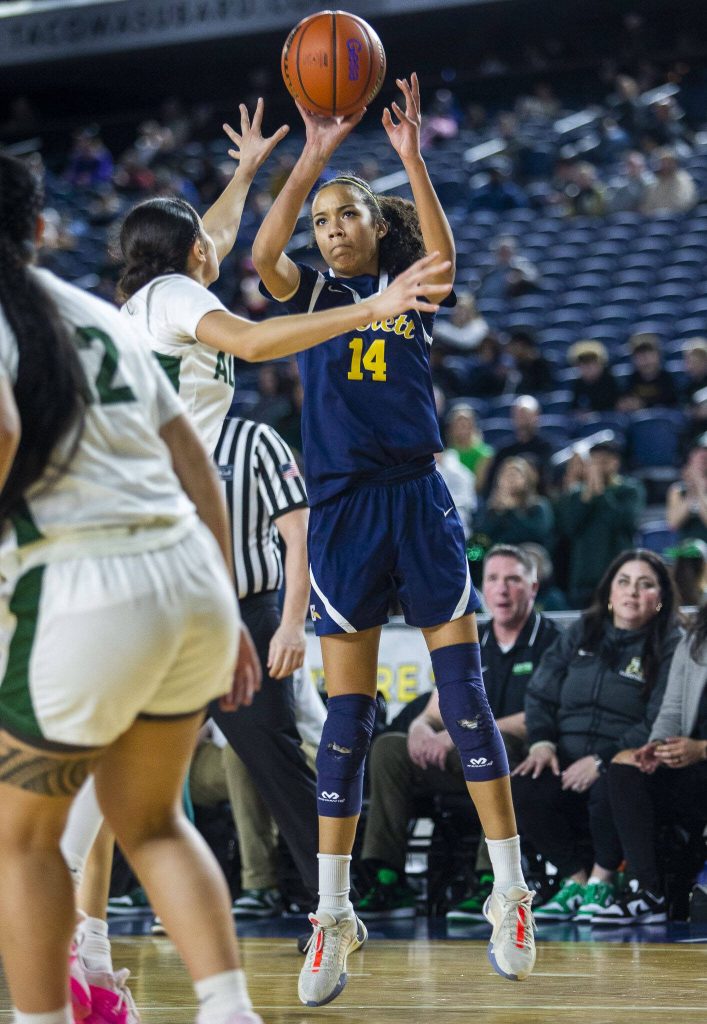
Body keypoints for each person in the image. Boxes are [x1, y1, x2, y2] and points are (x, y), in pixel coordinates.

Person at [56, 98, 453, 1013]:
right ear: (190, 257)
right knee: (120, 782)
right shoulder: (182, 301)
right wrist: (375, 309)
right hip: (143, 556)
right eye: (205, 239)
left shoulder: (145, 295)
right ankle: (108, 962)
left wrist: (262, 169)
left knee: (112, 768)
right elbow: (259, 336)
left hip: (130, 550)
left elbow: (219, 235)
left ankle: (93, 959)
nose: (219, 242)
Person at [252, 74, 537, 1006]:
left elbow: (444, 260)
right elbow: (262, 251)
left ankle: (509, 892)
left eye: (347, 216)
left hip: (416, 501)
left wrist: (411, 163)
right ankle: (331, 917)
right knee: (346, 718)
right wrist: (314, 159)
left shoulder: (407, 286)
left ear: (377, 228)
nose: (331, 227)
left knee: (462, 698)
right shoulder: (312, 293)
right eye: (324, 218)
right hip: (339, 512)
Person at [0, 150, 262, 1024]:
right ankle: (227, 1010)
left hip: (84, 588)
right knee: (150, 821)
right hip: (187, 577)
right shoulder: (95, 312)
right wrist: (226, 607)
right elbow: (194, 458)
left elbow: (2, 433)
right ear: (38, 230)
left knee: (24, 840)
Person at [353, 545, 558, 923]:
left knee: (503, 748)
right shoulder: (472, 637)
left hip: (518, 759)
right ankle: (387, 877)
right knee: (388, 749)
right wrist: (419, 729)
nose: (502, 589)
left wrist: (464, 734)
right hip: (459, 757)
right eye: (493, 579)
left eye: (513, 579)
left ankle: (491, 880)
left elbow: (544, 716)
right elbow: (435, 710)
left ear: (532, 586)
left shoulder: (552, 641)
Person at [512, 550, 680, 924]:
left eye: (645, 584)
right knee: (521, 785)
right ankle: (577, 880)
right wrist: (541, 741)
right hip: (564, 752)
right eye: (624, 582)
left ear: (661, 598)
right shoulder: (581, 632)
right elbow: (540, 694)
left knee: (613, 782)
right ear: (608, 593)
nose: (632, 592)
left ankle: (605, 877)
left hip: (627, 756)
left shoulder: (671, 644)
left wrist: (602, 758)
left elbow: (661, 715)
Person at [594, 606, 707, 924]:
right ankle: (650, 892)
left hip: (699, 756)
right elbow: (672, 708)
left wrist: (702, 749)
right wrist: (655, 747)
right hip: (691, 766)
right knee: (624, 770)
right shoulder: (696, 639)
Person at [554, 440, 645, 609]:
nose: (597, 468)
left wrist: (601, 493)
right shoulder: (576, 495)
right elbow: (569, 528)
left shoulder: (629, 490)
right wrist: (587, 497)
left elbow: (626, 522)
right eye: (594, 462)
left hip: (619, 575)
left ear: (615, 463)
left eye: (604, 462)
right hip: (583, 578)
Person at [476, 457, 554, 550]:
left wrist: (512, 510)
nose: (510, 479)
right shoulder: (491, 508)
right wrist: (498, 513)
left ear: (527, 479)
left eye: (515, 474)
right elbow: (481, 538)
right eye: (506, 475)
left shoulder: (539, 505)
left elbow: (536, 534)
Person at [484, 395, 554, 496]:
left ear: (536, 416)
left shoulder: (546, 447)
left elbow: (548, 480)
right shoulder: (504, 449)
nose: (522, 419)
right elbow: (492, 482)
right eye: (519, 415)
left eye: (526, 414)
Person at [616, 333, 679, 412]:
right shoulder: (631, 380)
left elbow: (673, 405)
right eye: (640, 356)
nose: (645, 360)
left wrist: (643, 404)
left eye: (648, 354)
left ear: (658, 355)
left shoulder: (667, 379)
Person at [445, 404, 494, 492]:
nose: (462, 429)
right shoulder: (446, 454)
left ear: (472, 426)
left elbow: (477, 487)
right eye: (458, 425)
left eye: (465, 425)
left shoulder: (485, 453)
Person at [665, 445, 707, 545]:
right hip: (685, 548)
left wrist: (700, 489)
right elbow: (673, 524)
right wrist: (692, 491)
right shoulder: (678, 490)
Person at [567, 340, 621, 415]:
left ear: (601, 363)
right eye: (584, 362)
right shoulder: (578, 384)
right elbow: (574, 409)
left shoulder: (610, 381)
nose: (588, 366)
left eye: (592, 362)